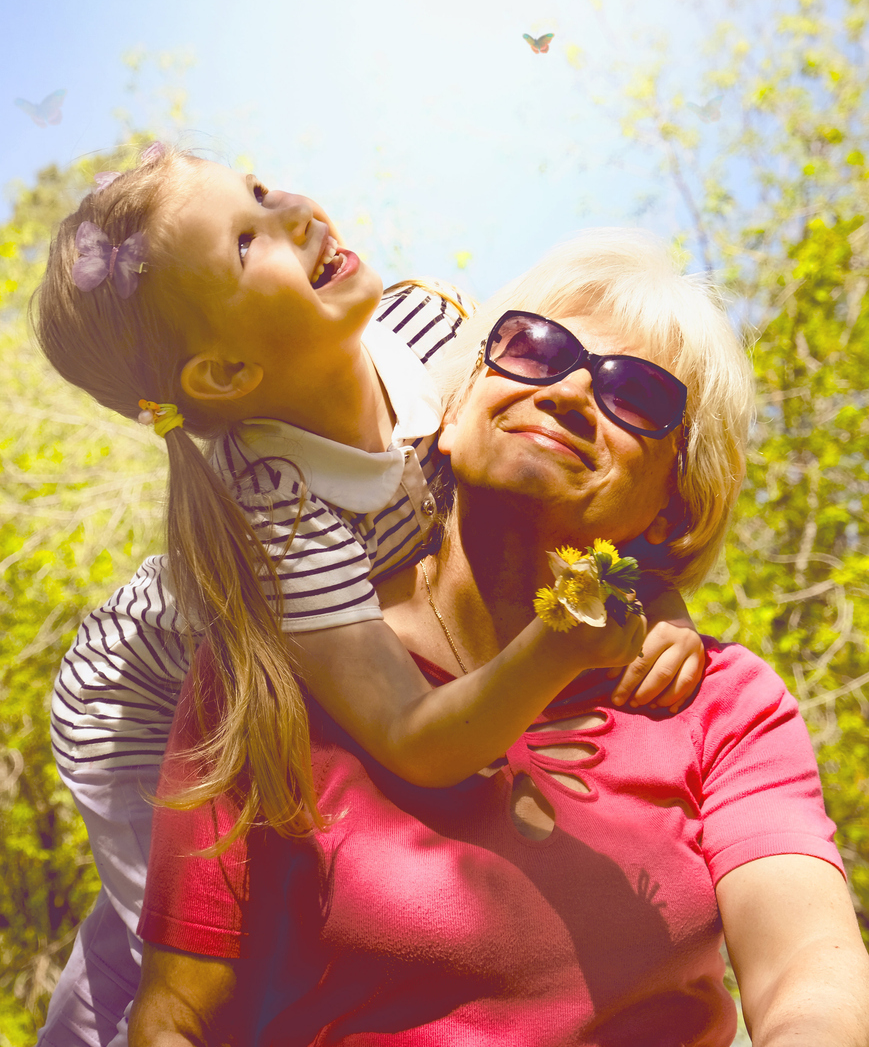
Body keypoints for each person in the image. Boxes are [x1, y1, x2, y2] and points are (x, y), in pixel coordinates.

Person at [130, 232, 869, 1046]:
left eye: (637, 394)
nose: (570, 389)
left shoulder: (722, 702)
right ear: (448, 410)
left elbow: (809, 968)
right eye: (531, 349)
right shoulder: (270, 674)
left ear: (673, 506)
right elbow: (180, 1014)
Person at [34, 147, 703, 1046]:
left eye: (262, 192)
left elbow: (545, 480)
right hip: (142, 702)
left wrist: (654, 596)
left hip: (294, 649)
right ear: (225, 376)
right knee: (182, 946)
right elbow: (418, 740)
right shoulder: (274, 506)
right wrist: (559, 642)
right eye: (245, 241)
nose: (294, 213)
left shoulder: (427, 331)